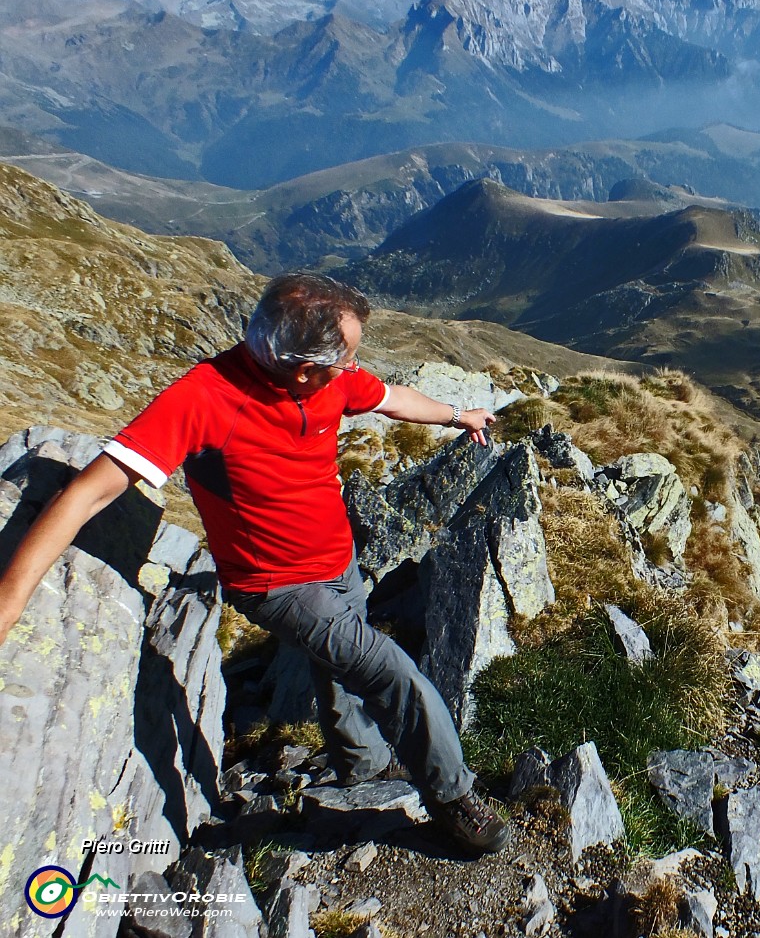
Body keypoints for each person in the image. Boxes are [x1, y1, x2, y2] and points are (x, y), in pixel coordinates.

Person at [0, 273, 510, 855]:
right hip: (278, 585)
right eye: (346, 358)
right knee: (393, 674)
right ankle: (453, 799)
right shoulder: (205, 397)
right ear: (302, 368)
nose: (353, 368)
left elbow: (389, 398)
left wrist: (455, 415)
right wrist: (9, 601)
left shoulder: (330, 381)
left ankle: (361, 766)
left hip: (337, 557)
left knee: (339, 660)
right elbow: (86, 493)